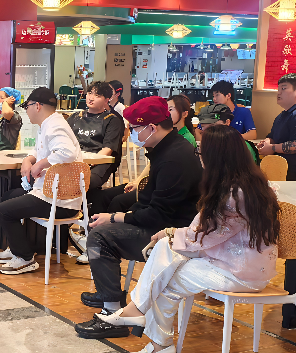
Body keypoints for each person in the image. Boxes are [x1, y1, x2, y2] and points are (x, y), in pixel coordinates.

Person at [78, 125, 279, 353]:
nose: (198, 156)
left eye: (201, 151)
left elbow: (204, 235)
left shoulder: (233, 194)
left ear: (215, 156)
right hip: (235, 261)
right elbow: (204, 233)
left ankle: (155, 338)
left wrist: (171, 233)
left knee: (164, 281)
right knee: (165, 252)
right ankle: (141, 318)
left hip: (238, 271)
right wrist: (171, 234)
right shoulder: (247, 184)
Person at [72, 96, 202, 337]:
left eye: (134, 128)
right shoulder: (167, 149)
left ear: (151, 128)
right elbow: (150, 204)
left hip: (171, 235)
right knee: (104, 221)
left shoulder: (174, 158)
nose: (131, 134)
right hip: (164, 224)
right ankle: (109, 295)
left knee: (100, 236)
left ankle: (113, 312)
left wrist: (116, 218)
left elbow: (158, 214)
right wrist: (120, 215)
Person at [0, 87, 83, 275]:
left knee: (5, 210)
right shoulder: (48, 123)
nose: (26, 110)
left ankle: (25, 259)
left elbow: (67, 152)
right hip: (50, 193)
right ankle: (17, 248)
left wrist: (39, 164)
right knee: (9, 196)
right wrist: (28, 159)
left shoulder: (55, 125)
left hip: (60, 200)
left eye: (27, 106)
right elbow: (39, 150)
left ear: (38, 106)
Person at [67, 81, 125, 214]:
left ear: (107, 99)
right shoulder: (75, 117)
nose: (91, 98)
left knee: (80, 182)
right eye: (89, 93)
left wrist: (87, 164)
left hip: (99, 163)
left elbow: (107, 150)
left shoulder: (112, 120)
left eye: (97, 95)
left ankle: (75, 214)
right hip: (74, 161)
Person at [258, 73, 296, 181]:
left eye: (283, 88)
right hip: (279, 170)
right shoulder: (282, 115)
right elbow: (272, 137)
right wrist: (266, 142)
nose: (278, 92)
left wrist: (272, 148)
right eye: (278, 89)